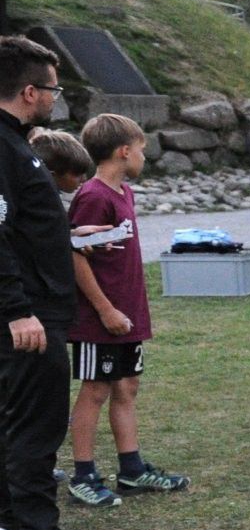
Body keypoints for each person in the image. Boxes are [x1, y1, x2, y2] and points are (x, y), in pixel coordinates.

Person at [0, 35, 100, 530]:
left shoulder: (18, 144)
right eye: (52, 90)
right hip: (27, 316)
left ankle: (13, 525)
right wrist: (17, 309)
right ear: (29, 91)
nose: (55, 99)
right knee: (35, 428)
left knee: (16, 419)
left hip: (34, 310)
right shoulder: (5, 149)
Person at [60, 115, 185, 508]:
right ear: (124, 151)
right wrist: (105, 309)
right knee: (95, 389)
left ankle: (131, 469)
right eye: (142, 150)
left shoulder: (124, 193)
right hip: (101, 317)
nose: (144, 158)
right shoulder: (93, 196)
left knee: (127, 386)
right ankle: (83, 475)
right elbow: (76, 255)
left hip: (128, 313)